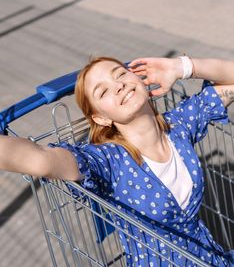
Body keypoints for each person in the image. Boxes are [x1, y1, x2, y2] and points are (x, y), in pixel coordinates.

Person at [0, 55, 234, 266]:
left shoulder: (179, 126)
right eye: (102, 92)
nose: (119, 85)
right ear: (101, 118)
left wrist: (181, 66)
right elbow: (42, 161)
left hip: (207, 258)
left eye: (120, 74)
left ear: (140, 79)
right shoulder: (107, 162)